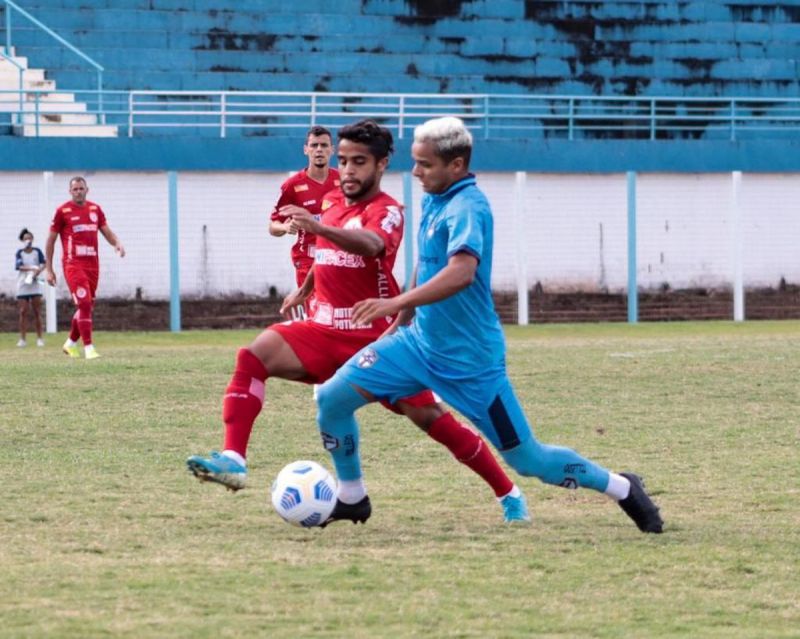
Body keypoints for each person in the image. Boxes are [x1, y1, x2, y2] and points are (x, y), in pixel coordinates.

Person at [314, 117, 664, 533]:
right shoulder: (436, 197)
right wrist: (398, 327)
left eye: (425, 164)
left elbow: (461, 272)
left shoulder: (468, 206)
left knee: (529, 460)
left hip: (472, 363)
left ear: (457, 165)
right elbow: (426, 266)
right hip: (417, 346)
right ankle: (352, 497)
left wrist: (395, 302)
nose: (416, 172)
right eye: (415, 162)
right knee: (332, 399)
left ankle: (622, 487)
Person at [187, 119, 530, 523]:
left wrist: (317, 226)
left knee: (431, 419)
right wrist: (308, 288)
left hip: (373, 338)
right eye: (344, 160)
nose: (348, 170)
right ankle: (235, 460)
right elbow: (326, 252)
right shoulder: (333, 201)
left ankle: (508, 492)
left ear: (382, 165)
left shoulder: (388, 212)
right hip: (321, 328)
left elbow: (371, 245)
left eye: (359, 162)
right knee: (253, 356)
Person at [45, 176, 126, 360]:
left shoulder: (95, 209)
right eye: (75, 189)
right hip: (73, 264)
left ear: (87, 190)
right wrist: (49, 269)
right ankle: (89, 348)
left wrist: (117, 243)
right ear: (70, 191)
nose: (79, 191)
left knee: (87, 306)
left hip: (92, 265)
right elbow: (51, 240)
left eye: (81, 188)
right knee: (84, 303)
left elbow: (106, 231)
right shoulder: (62, 211)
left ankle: (70, 344)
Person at [269, 126, 340, 317]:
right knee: (316, 312)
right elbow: (272, 225)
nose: (319, 150)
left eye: (324, 145)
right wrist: (285, 226)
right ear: (306, 149)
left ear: (332, 150)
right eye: (314, 145)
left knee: (337, 309)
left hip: (337, 256)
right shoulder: (292, 186)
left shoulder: (342, 181)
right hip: (307, 259)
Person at [15, 228, 46, 348]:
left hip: (35, 283)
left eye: (29, 238)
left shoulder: (37, 251)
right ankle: (22, 339)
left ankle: (40, 338)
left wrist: (37, 272)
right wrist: (32, 268)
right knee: (23, 312)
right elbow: (19, 266)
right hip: (23, 284)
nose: (28, 240)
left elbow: (44, 263)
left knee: (37, 311)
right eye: (25, 238)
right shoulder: (20, 253)